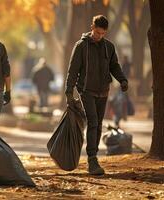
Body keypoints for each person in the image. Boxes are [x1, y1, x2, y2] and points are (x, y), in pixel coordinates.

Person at [65, 15, 128, 175]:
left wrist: (122, 80)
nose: (99, 36)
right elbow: (73, 70)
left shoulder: (109, 47)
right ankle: (92, 159)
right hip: (86, 90)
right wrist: (68, 91)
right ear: (92, 27)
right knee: (93, 122)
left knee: (98, 124)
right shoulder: (81, 46)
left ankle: (94, 156)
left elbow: (114, 66)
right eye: (97, 32)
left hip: (103, 91)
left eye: (102, 33)